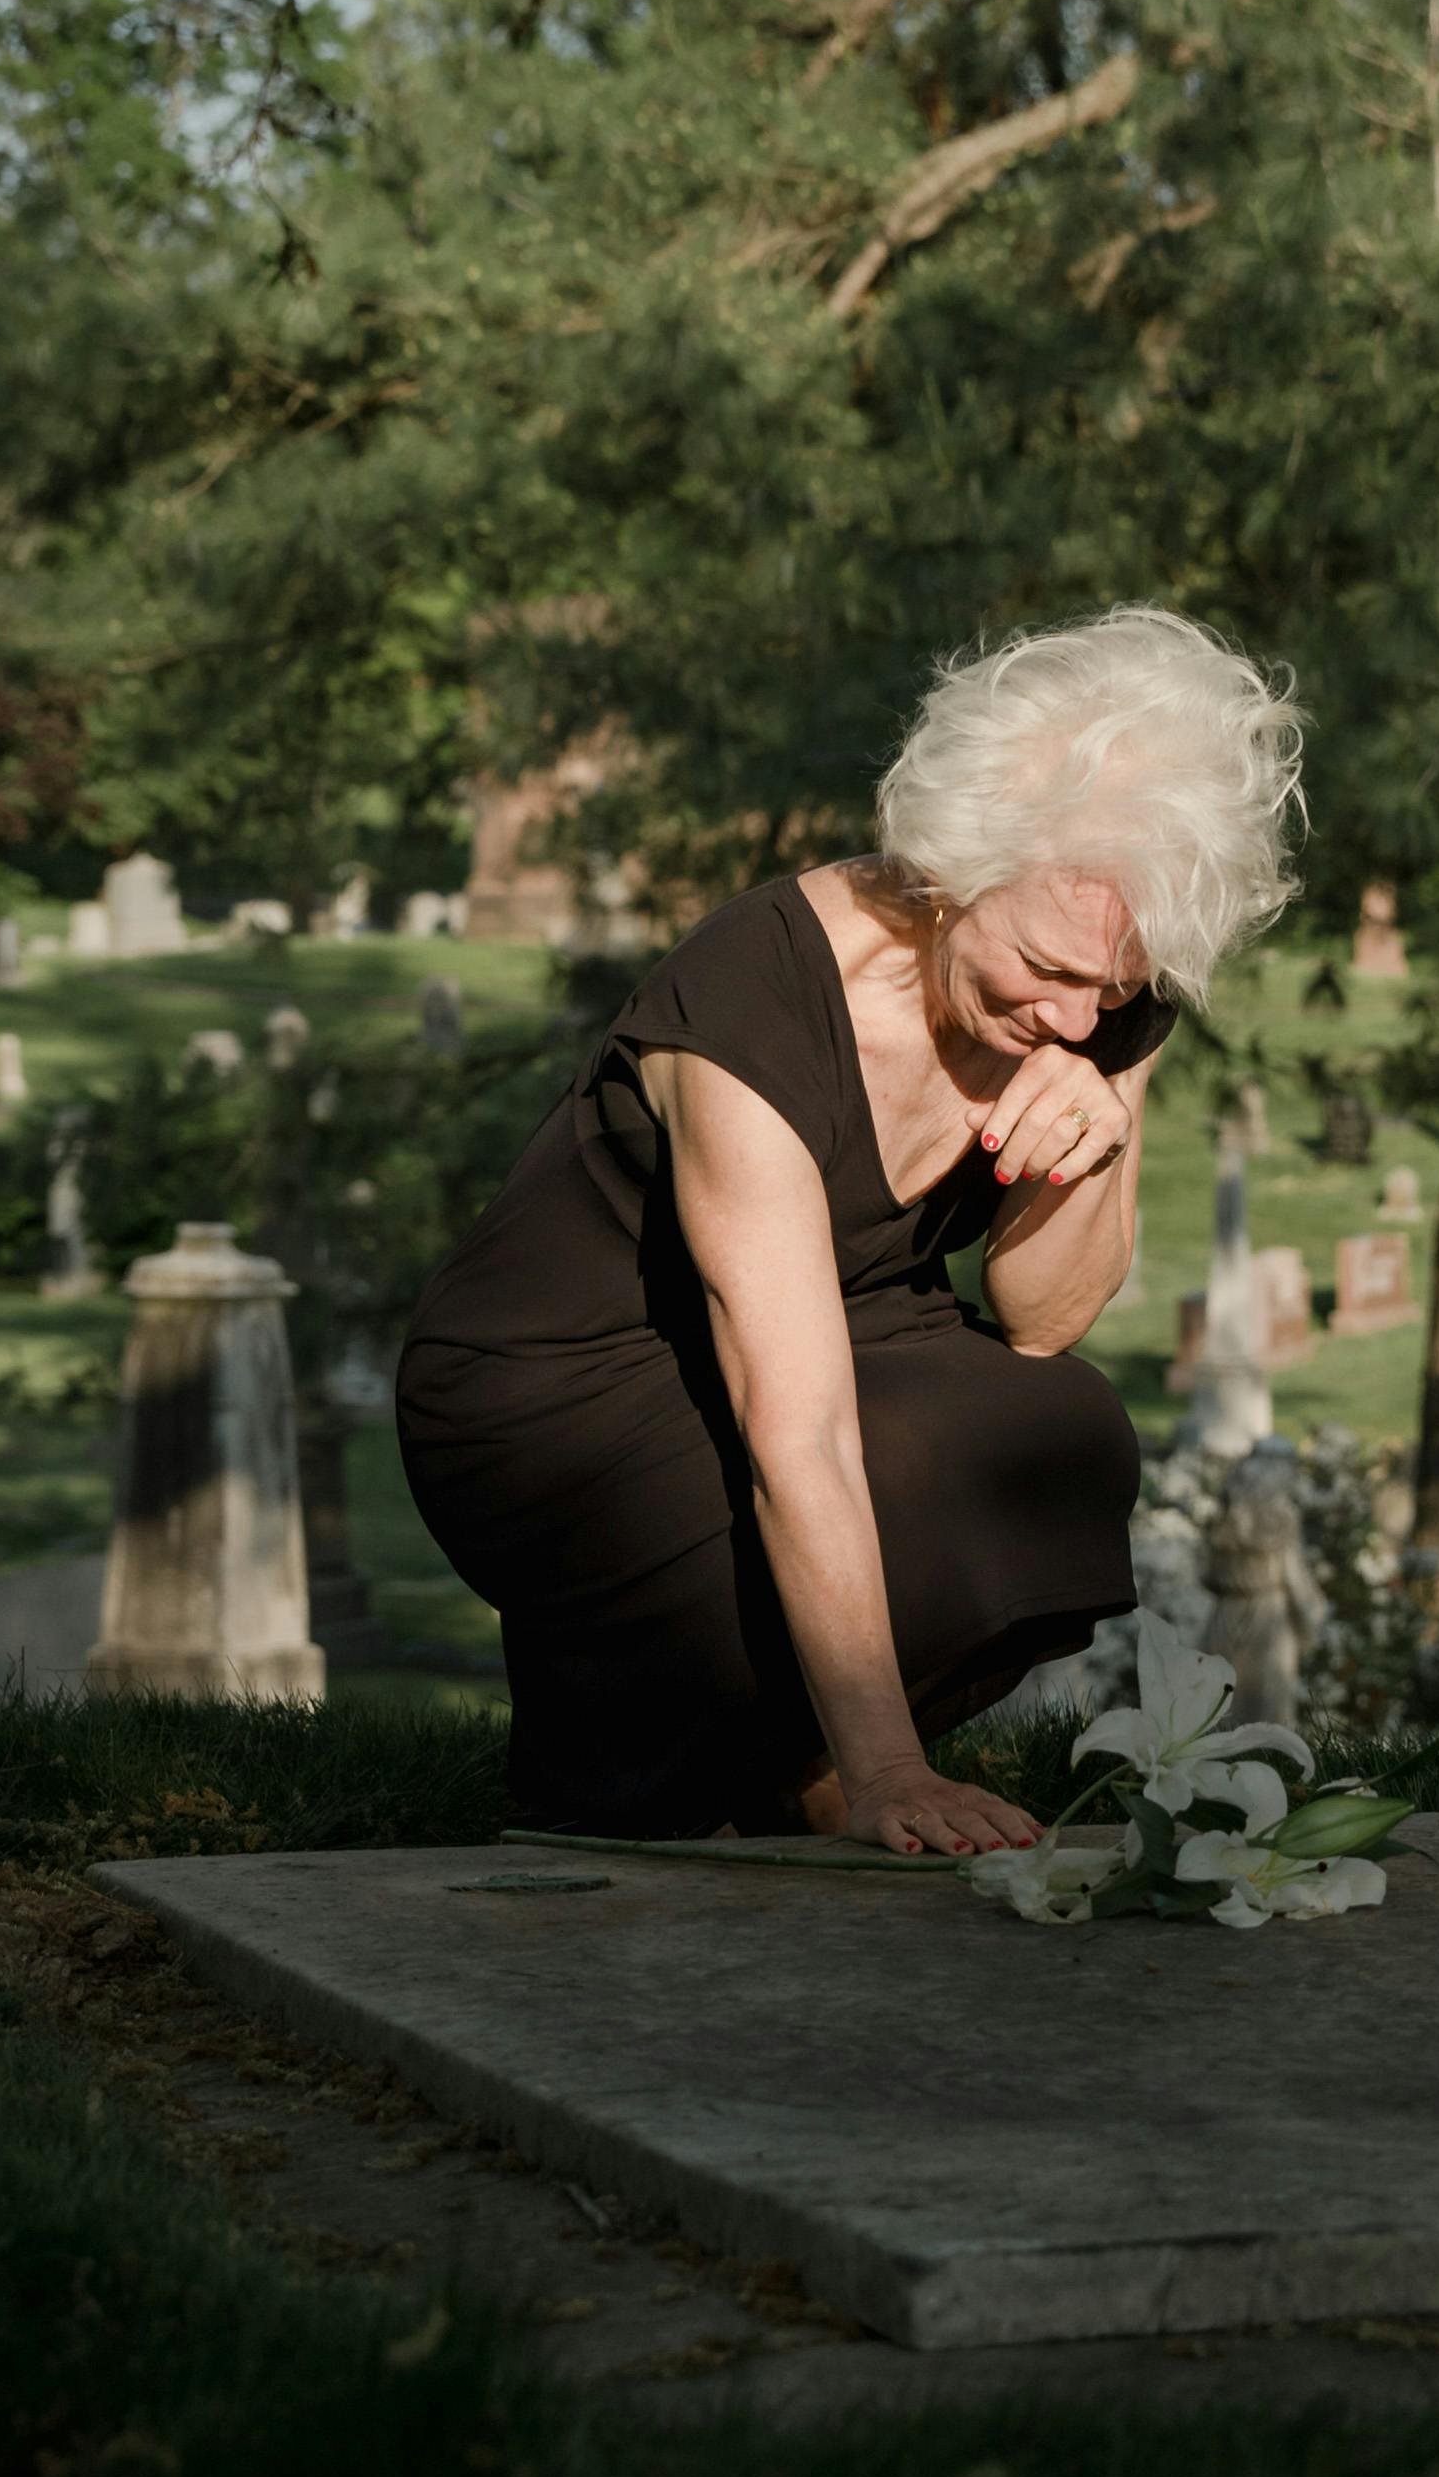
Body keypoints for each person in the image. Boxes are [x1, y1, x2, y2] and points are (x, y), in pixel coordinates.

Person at [398, 610, 1300, 1849]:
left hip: (843, 1330)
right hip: (558, 1382)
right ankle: (713, 1770)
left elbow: (1040, 1319)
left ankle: (761, 1759)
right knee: (907, 1472)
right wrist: (885, 1769)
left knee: (1064, 1432)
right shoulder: (754, 998)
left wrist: (1097, 1135)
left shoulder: (1102, 996)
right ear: (952, 868)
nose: (1080, 1015)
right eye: (1047, 965)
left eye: (1120, 987)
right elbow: (799, 1429)